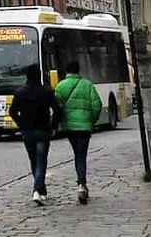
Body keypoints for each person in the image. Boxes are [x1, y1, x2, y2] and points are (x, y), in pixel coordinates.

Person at [9, 63, 61, 205]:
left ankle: (41, 190)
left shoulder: (20, 93)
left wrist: (21, 124)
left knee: (34, 161)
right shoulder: (46, 92)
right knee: (42, 160)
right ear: (39, 76)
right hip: (43, 131)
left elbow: (12, 111)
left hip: (28, 132)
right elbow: (57, 109)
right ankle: (38, 190)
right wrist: (53, 125)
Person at [54, 58, 103, 203]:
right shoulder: (87, 85)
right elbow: (97, 105)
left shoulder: (60, 86)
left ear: (67, 71)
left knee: (77, 154)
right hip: (84, 128)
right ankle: (82, 184)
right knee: (82, 155)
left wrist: (61, 122)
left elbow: (57, 107)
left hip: (70, 127)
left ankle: (81, 183)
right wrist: (91, 121)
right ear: (78, 70)